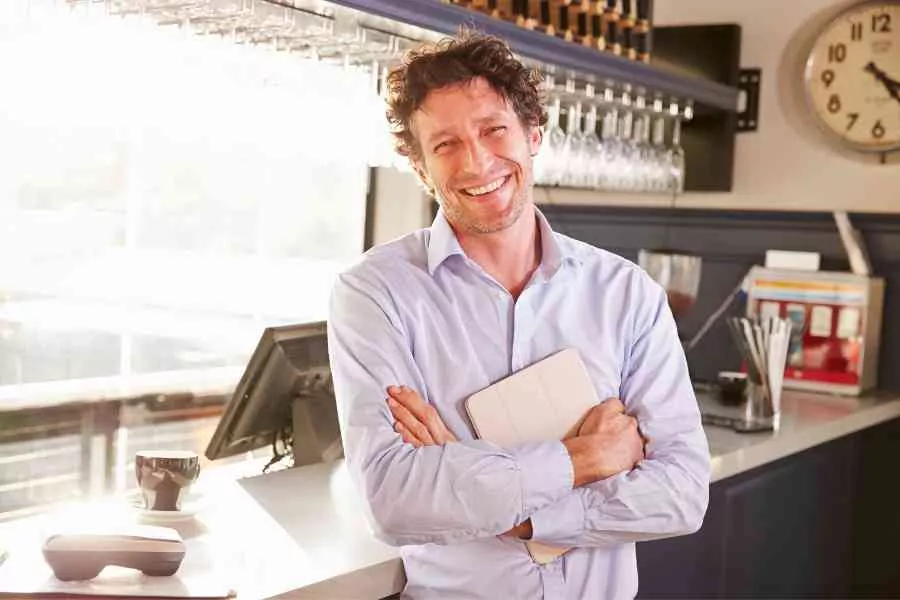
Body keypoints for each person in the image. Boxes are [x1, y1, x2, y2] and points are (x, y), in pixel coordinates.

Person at [327, 31, 710, 600]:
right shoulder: (374, 294)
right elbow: (393, 501)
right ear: (420, 168)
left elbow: (682, 492)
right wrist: (588, 458)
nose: (477, 161)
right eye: (446, 144)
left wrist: (508, 510)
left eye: (493, 130)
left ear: (533, 135)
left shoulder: (626, 292)